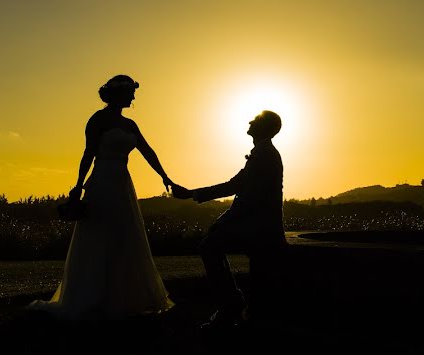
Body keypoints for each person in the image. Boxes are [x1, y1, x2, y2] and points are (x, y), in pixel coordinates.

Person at [29, 75, 175, 319]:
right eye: (130, 93)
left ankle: (123, 295)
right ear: (118, 94)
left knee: (124, 232)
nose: (133, 97)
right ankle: (92, 294)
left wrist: (164, 176)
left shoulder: (130, 125)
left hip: (122, 182)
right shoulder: (98, 120)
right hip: (102, 180)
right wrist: (77, 184)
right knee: (99, 232)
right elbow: (88, 152)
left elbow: (147, 151)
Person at [172, 110, 285, 330]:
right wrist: (191, 194)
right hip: (257, 224)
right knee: (211, 246)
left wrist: (223, 221)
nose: (250, 121)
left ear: (265, 128)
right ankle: (234, 304)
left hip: (259, 227)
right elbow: (235, 185)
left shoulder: (264, 154)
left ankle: (231, 304)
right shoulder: (262, 153)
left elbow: (247, 196)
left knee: (209, 246)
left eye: (257, 120)